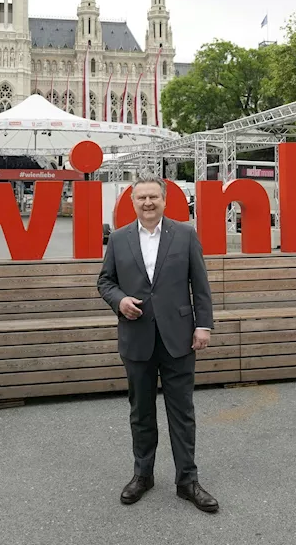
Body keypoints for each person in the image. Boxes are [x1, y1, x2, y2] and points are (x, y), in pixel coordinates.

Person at [97, 176, 218, 513]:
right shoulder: (119, 239)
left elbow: (200, 283)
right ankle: (143, 475)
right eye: (141, 198)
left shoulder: (185, 234)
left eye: (153, 197)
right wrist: (119, 301)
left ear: (164, 201)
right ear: (132, 202)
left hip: (179, 337)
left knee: (183, 413)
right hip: (137, 338)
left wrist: (203, 326)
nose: (147, 203)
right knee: (141, 412)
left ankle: (187, 481)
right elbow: (105, 281)